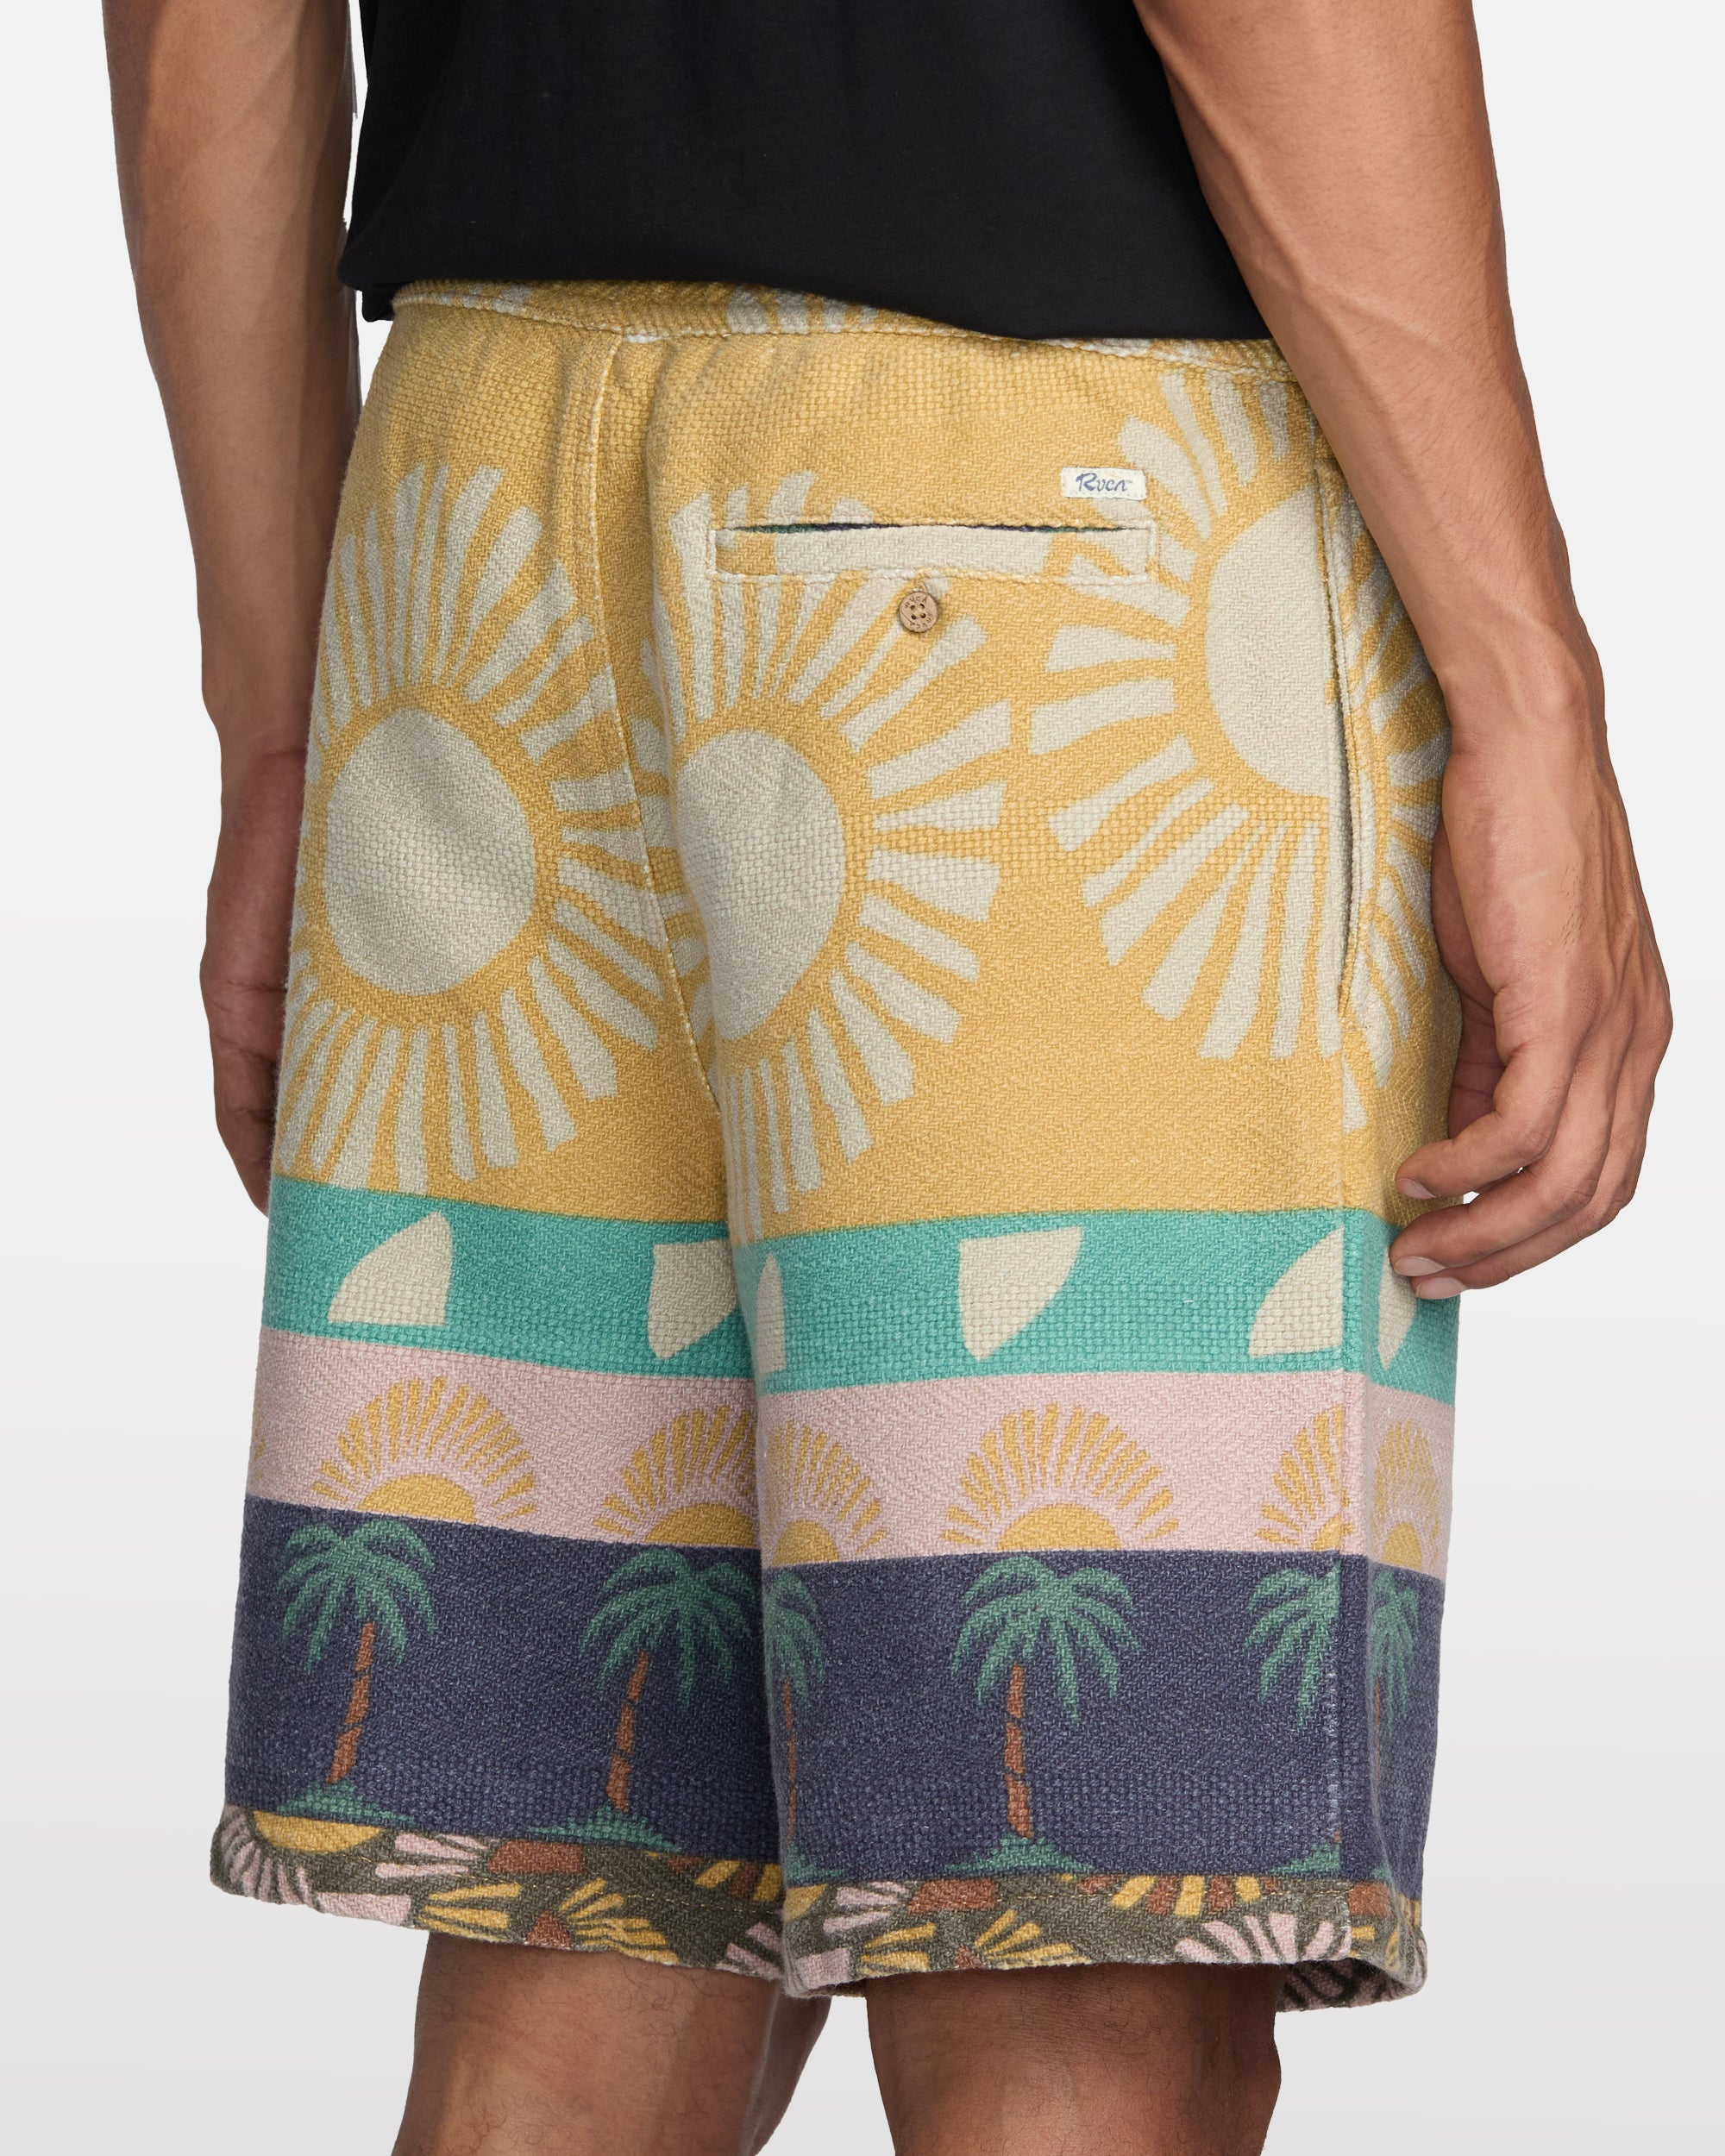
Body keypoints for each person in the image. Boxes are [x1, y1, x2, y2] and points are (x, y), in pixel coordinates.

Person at [104, 2, 1669, 2150]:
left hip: (478, 533)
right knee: (1080, 1962)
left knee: (577, 1934)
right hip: (1043, 531)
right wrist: (1528, 688)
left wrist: (288, 714)